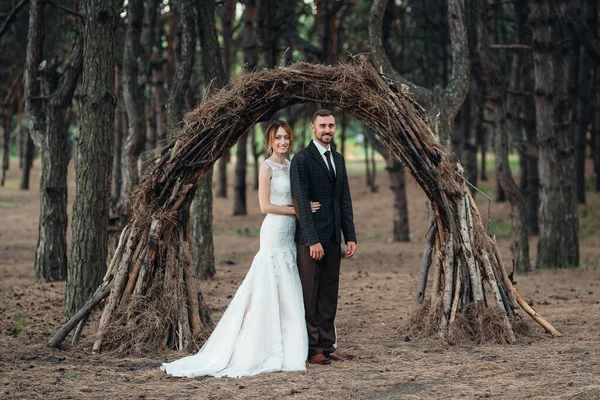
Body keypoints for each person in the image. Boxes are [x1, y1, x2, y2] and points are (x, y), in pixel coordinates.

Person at [161, 120, 318, 378]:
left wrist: (303, 209)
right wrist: (299, 212)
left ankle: (290, 345)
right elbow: (264, 207)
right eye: (278, 138)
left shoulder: (291, 166)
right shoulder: (265, 167)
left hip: (290, 233)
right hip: (274, 230)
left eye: (286, 137)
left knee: (287, 285)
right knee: (268, 281)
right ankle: (259, 344)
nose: (283, 142)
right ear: (269, 141)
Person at [290, 109, 357, 366]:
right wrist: (312, 239)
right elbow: (301, 203)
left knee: (329, 292)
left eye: (331, 126)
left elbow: (344, 200)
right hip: (311, 240)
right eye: (322, 126)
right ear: (312, 128)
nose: (327, 130)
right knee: (310, 294)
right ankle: (313, 348)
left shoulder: (338, 159)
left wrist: (349, 236)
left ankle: (328, 345)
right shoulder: (302, 159)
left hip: (333, 237)